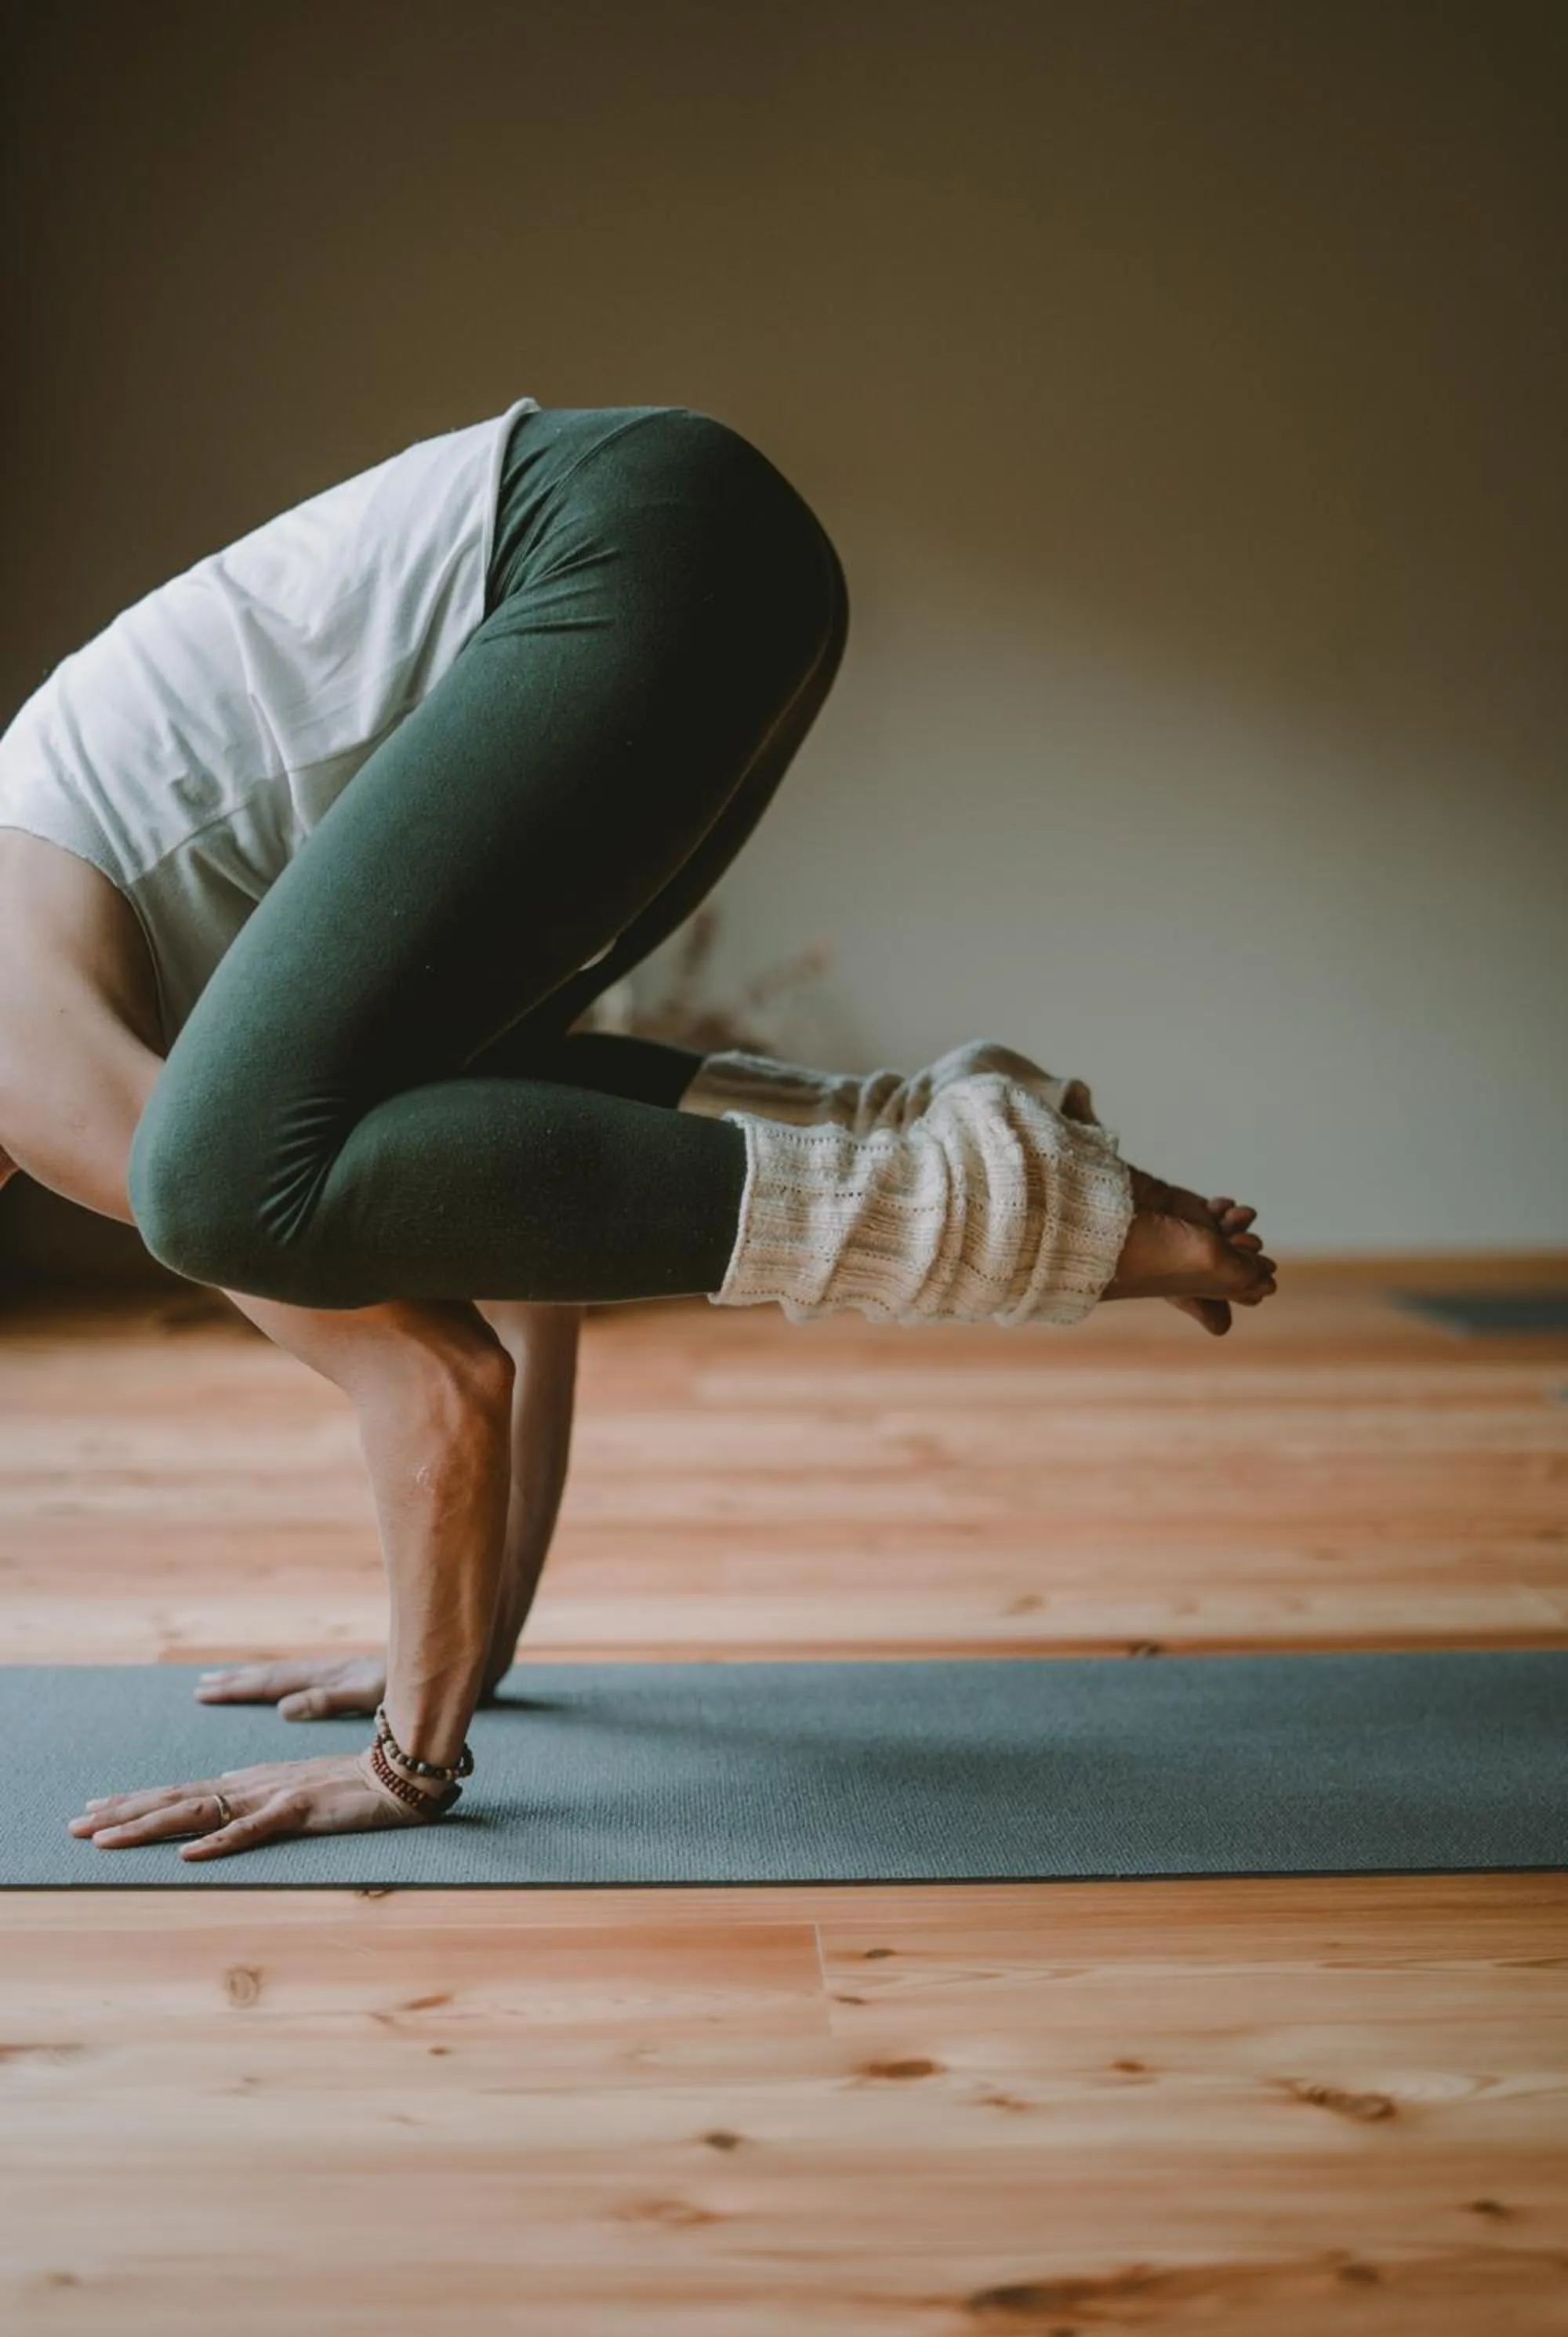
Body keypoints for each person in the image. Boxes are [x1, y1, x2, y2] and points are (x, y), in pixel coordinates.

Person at [0, 398, 1277, 1863]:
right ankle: (1024, 1176)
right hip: (715, 548)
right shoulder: (65, 956)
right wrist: (464, 1651)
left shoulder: (29, 1061)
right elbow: (507, 1241)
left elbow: (436, 1384)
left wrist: (409, 1762)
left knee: (211, 1189)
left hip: (610, 550)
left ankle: (1026, 1212)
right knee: (381, 1151)